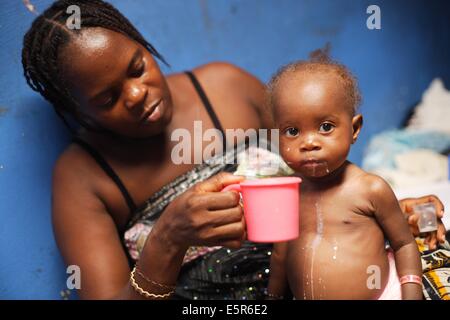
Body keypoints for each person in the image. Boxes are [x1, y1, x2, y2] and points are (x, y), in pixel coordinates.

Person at [21, 0, 446, 300]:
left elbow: (318, 156)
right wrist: (168, 240)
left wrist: (383, 211)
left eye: (137, 67)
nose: (136, 94)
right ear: (75, 110)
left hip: (339, 261)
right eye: (107, 98)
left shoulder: (224, 87)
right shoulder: (83, 178)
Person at [265, 52, 423, 300]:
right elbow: (281, 256)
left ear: (354, 129)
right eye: (292, 131)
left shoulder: (371, 189)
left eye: (325, 127)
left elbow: (403, 244)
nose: (309, 142)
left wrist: (411, 293)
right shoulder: (287, 195)